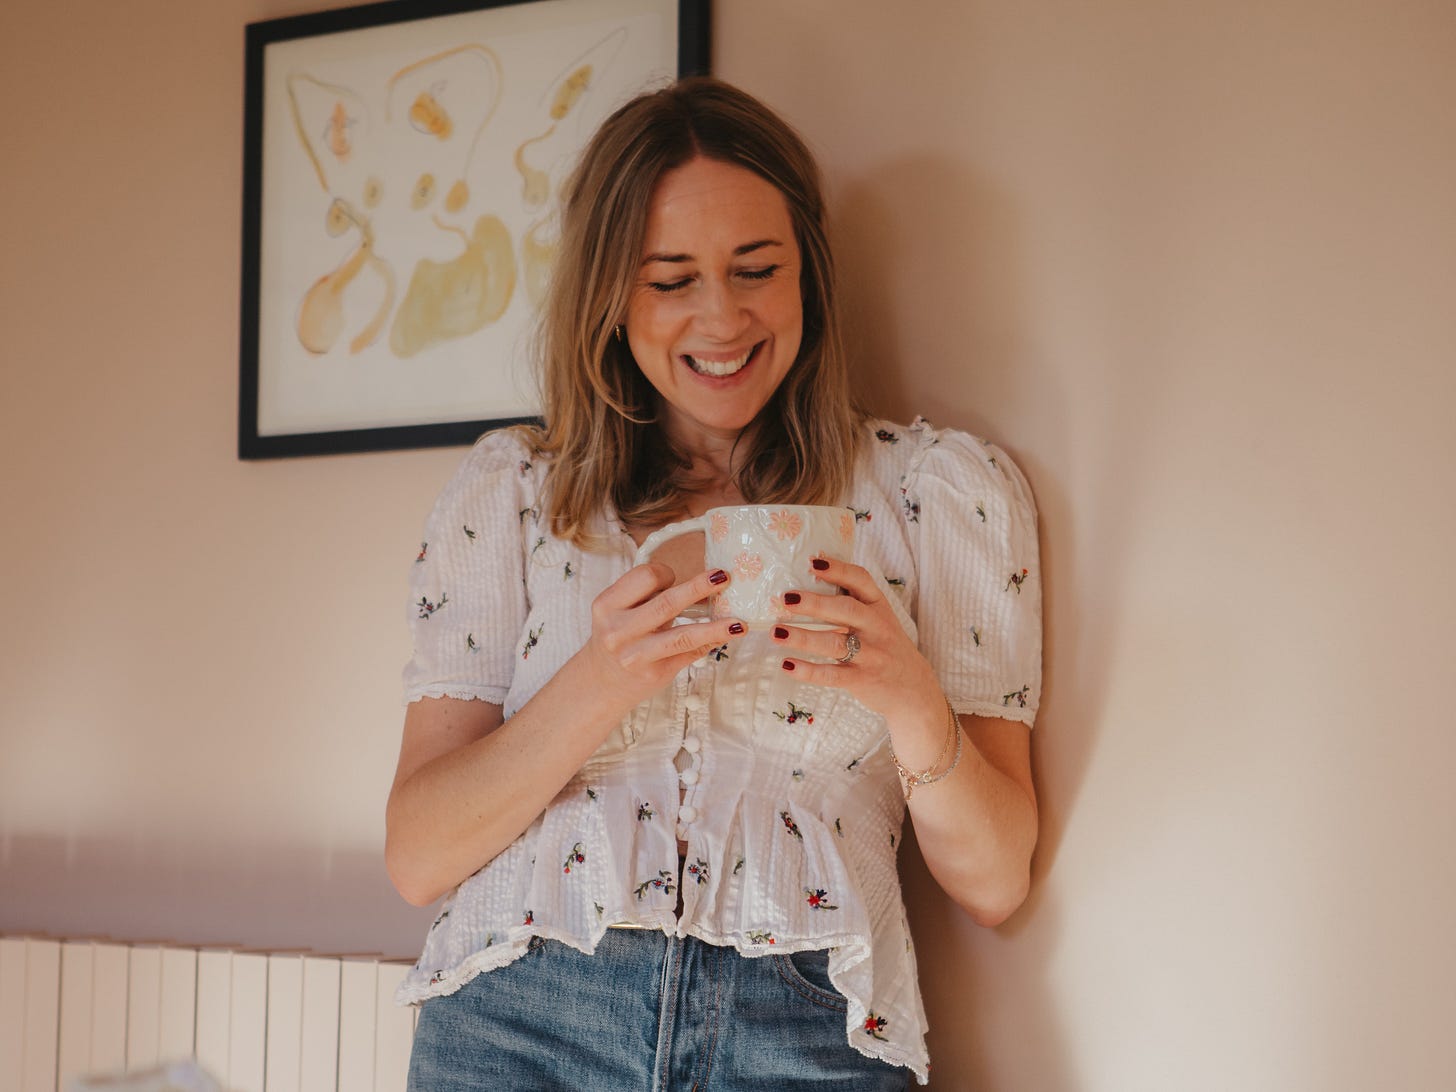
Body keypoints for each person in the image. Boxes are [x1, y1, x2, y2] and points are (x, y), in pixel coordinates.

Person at [386, 76, 1041, 1090]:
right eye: (670, 280)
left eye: (755, 270)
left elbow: (995, 885)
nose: (722, 317)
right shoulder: (516, 494)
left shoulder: (937, 494)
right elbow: (419, 856)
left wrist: (910, 698)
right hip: (521, 1026)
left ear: (806, 274)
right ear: (611, 297)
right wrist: (601, 678)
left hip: (806, 1035)